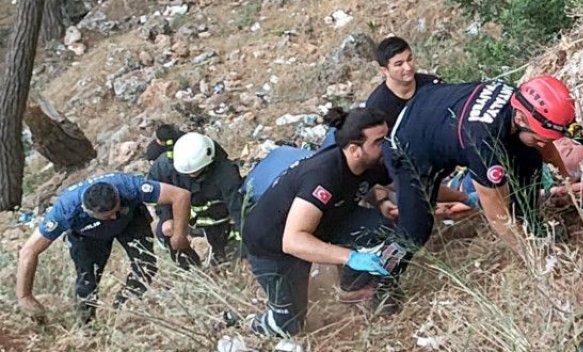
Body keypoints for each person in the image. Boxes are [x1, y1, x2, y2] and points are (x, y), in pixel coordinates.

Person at [239, 108, 400, 337]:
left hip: (328, 220)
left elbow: (405, 185)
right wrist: (350, 257)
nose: (386, 146)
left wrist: (465, 198)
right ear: (355, 149)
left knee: (380, 229)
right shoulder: (323, 176)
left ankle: (353, 290)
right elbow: (293, 241)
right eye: (379, 141)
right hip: (274, 245)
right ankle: (255, 326)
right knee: (289, 327)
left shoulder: (371, 160)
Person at [385, 76, 578, 253]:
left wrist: (565, 176)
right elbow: (497, 215)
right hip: (409, 146)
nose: (544, 143)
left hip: (436, 110)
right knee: (414, 231)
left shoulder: (520, 102)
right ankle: (379, 276)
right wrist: (534, 258)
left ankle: (531, 226)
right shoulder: (483, 142)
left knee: (530, 157)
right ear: (520, 119)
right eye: (540, 138)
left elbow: (544, 146)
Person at [15, 173, 193, 324]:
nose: (114, 216)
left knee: (146, 266)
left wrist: (179, 235)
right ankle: (87, 326)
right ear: (89, 211)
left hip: (130, 221)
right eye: (108, 215)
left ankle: (122, 308)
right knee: (87, 284)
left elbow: (180, 195)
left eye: (116, 210)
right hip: (87, 237)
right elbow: (28, 251)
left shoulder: (126, 185)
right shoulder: (65, 210)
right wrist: (24, 296)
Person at [148, 132, 245, 266]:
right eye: (187, 173)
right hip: (184, 216)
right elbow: (157, 192)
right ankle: (187, 266)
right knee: (167, 230)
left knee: (225, 246)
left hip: (216, 219)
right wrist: (166, 217)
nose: (192, 175)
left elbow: (237, 209)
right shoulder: (165, 166)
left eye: (196, 171)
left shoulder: (225, 173)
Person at [365, 36, 442, 121]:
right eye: (399, 64)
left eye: (409, 59)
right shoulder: (377, 106)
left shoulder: (432, 84)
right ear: (385, 70)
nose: (408, 67)